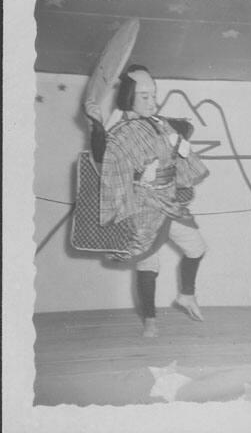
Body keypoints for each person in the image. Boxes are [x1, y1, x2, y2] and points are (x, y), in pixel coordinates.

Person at [89, 64, 210, 337]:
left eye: (153, 95)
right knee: (148, 263)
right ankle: (150, 320)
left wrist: (178, 134)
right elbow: (102, 156)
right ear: (129, 96)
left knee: (197, 247)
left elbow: (182, 132)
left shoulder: (158, 123)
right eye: (144, 96)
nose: (152, 101)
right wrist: (97, 128)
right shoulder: (120, 132)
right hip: (143, 206)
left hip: (168, 200)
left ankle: (186, 295)